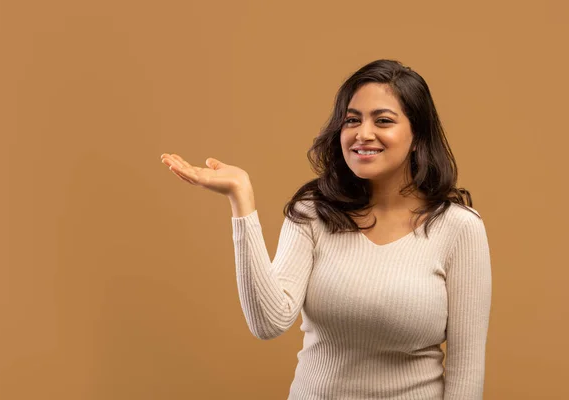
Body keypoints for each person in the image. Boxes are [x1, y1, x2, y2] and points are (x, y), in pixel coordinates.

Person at [160, 59, 492, 400]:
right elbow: (268, 322)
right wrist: (240, 198)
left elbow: (466, 371)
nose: (363, 133)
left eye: (383, 121)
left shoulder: (459, 228)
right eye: (352, 120)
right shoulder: (313, 211)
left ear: (417, 136)